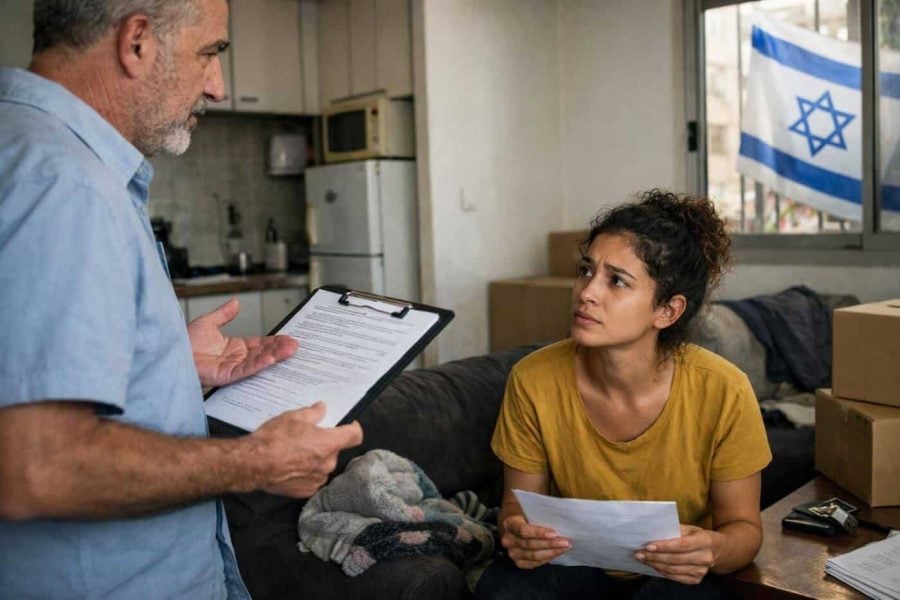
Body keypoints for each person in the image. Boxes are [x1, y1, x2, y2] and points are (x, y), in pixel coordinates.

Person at [0, 1, 363, 598]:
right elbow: (38, 467)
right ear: (137, 42)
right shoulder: (64, 183)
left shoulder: (23, 145)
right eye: (210, 53)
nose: (217, 86)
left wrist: (165, 359)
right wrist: (258, 461)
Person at [474, 190, 772, 599]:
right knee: (504, 588)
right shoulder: (532, 380)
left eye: (616, 280)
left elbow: (745, 530)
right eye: (586, 270)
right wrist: (519, 532)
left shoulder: (725, 391)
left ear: (667, 311)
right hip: (574, 565)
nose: (586, 292)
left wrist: (714, 548)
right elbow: (517, 507)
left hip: (672, 577)